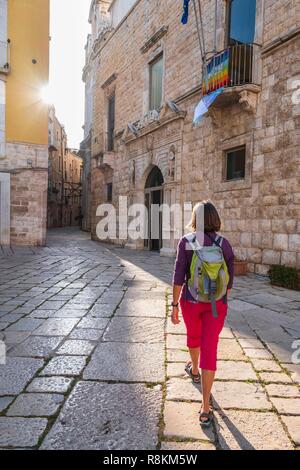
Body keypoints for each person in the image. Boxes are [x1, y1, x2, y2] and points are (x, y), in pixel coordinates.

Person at [171, 201, 234, 427]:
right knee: (210, 347)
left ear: (195, 219)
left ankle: (194, 370)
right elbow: (229, 284)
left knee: (193, 336)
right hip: (217, 305)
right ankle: (206, 406)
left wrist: (174, 305)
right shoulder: (224, 244)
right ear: (215, 218)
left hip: (191, 301)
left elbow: (179, 276)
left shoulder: (186, 242)